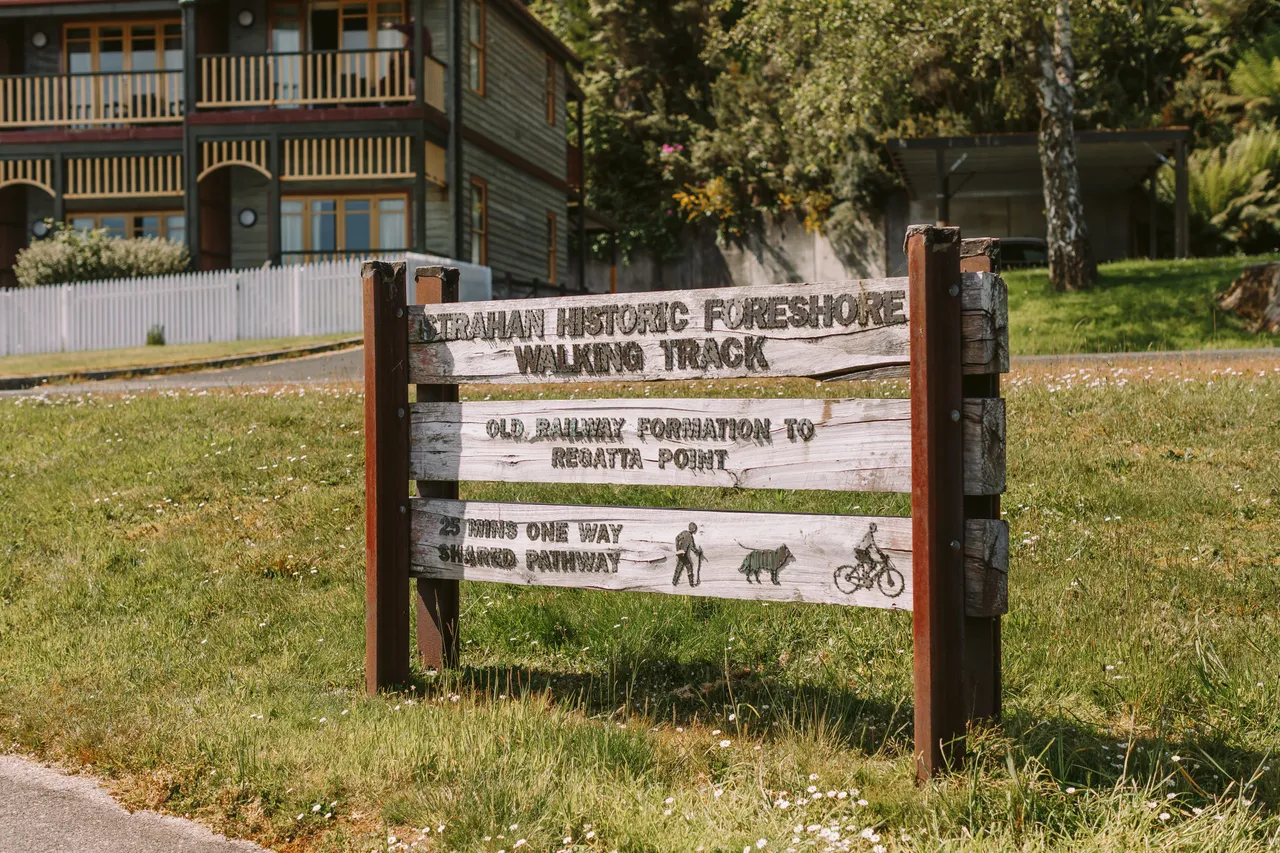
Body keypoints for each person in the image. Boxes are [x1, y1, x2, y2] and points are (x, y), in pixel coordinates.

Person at [673, 522, 703, 587]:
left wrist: (678, 549)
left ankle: (675, 582)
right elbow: (693, 548)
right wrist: (698, 552)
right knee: (685, 567)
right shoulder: (689, 536)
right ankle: (690, 584)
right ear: (694, 529)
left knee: (681, 567)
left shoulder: (684, 533)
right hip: (682, 554)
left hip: (682, 554)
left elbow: (677, 538)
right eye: (695, 529)